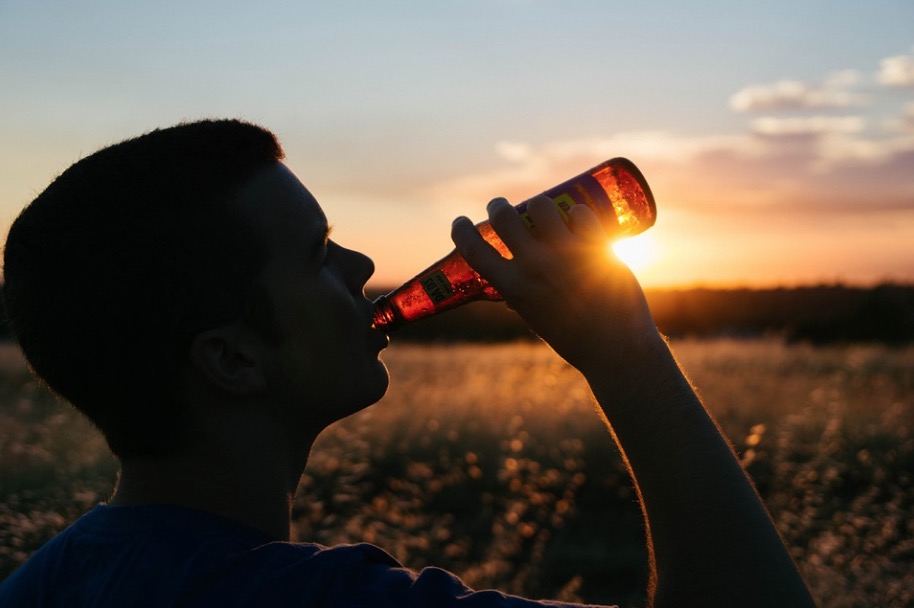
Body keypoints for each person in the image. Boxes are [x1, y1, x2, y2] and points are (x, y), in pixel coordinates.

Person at [0, 119, 815, 607]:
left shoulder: (45, 582)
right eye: (318, 254)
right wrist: (627, 357)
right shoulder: (312, 600)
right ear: (233, 360)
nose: (360, 264)